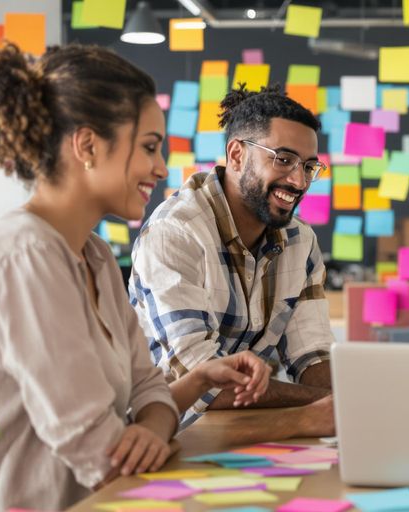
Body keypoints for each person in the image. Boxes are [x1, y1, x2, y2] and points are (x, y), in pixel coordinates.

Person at [0, 44, 271, 511]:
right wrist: (146, 429)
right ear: (87, 146)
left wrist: (176, 399)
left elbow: (147, 392)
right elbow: (104, 454)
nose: (161, 167)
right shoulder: (23, 254)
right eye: (148, 146)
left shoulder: (96, 255)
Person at [129, 84, 335, 432]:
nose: (299, 180)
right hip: (169, 437)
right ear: (237, 154)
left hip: (254, 430)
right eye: (283, 160)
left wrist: (344, 398)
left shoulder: (301, 241)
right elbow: (201, 378)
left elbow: (311, 353)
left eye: (309, 166)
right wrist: (320, 403)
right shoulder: (175, 233)